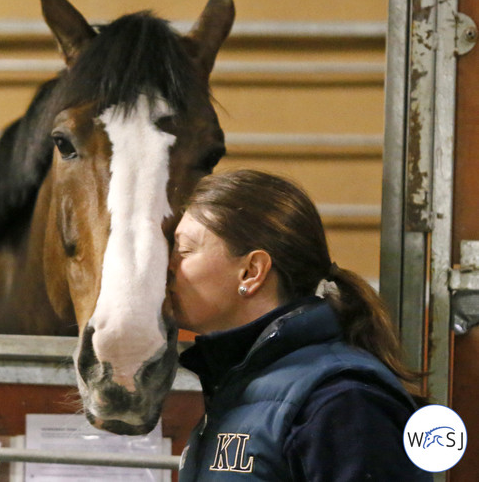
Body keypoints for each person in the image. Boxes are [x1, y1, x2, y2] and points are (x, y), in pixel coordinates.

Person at [168, 169, 432, 481]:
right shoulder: (238, 383)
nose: (167, 267)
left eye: (183, 251)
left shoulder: (341, 402)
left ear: (251, 271)